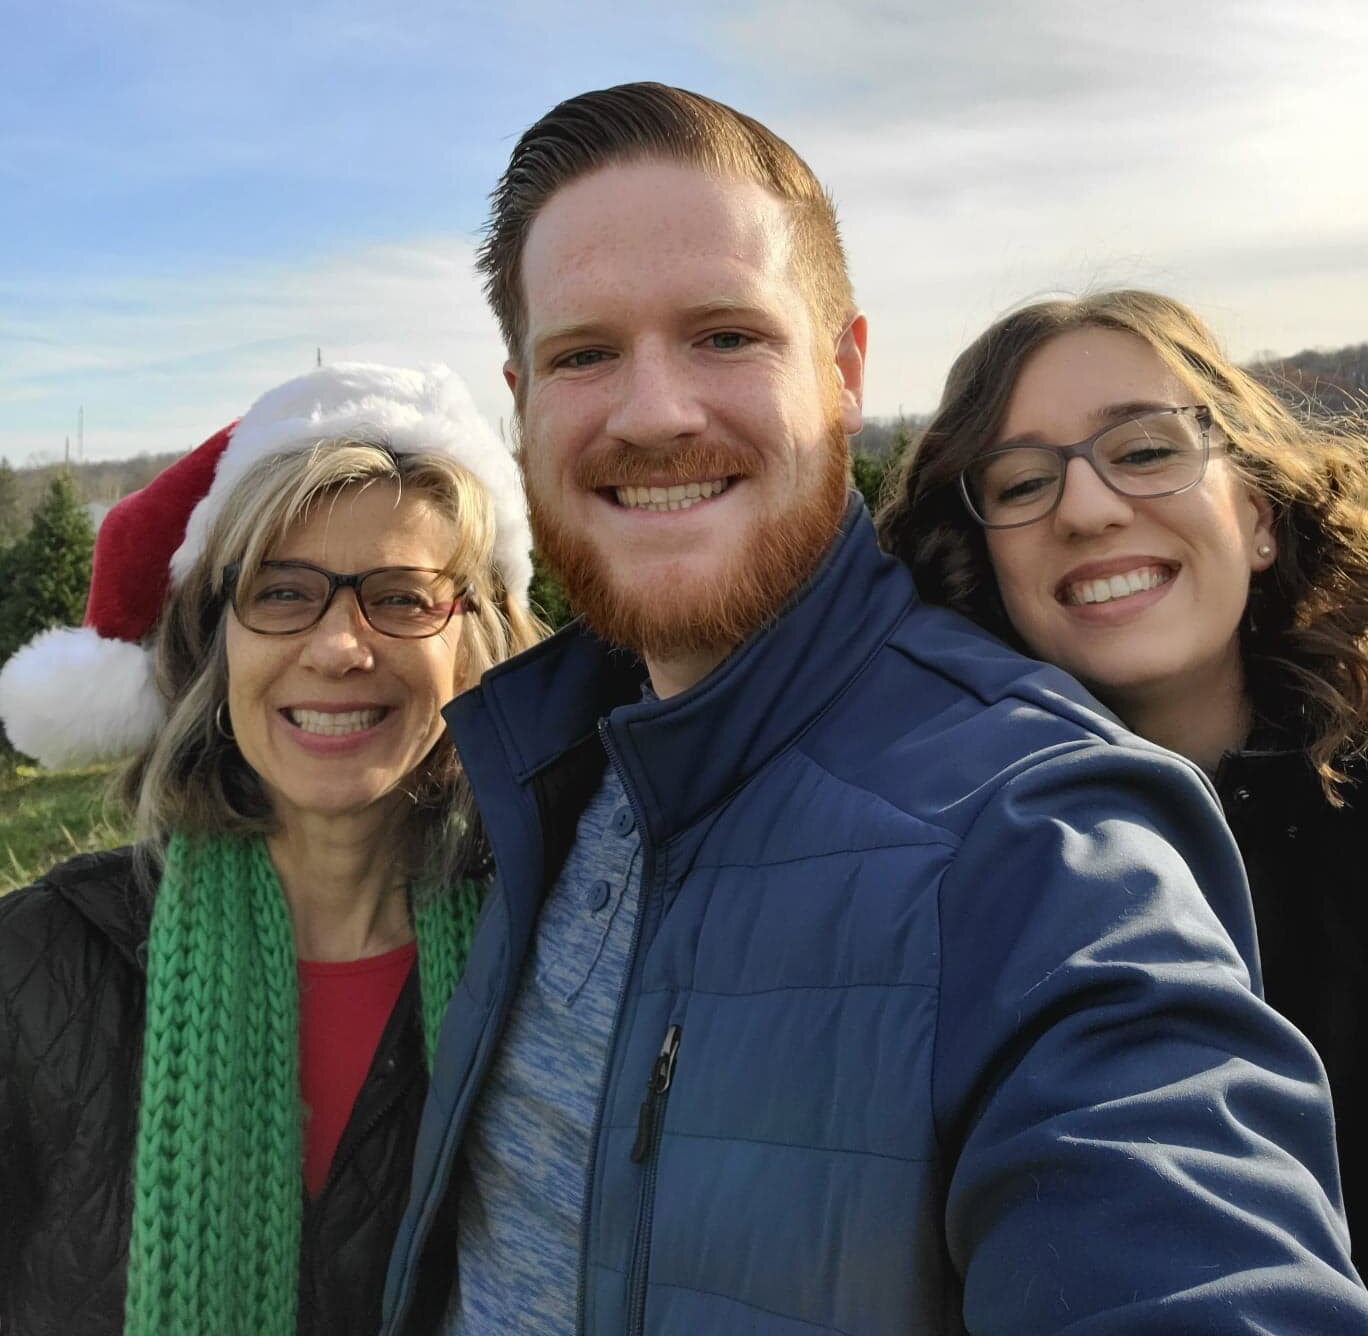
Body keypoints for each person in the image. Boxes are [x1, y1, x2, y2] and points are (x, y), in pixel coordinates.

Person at [380, 83, 1368, 1336]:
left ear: (846, 370)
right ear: (522, 395)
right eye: (585, 355)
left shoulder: (1033, 835)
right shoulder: (537, 765)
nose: (653, 412)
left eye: (726, 335)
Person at [0, 362, 540, 1336]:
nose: (339, 646)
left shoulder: (557, 960)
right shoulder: (36, 963)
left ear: (476, 638)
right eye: (283, 593)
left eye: (403, 596)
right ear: (216, 648)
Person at [878, 287, 1368, 1256]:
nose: (1090, 510)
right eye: (1020, 483)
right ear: (982, 557)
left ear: (1257, 515)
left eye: (1146, 450)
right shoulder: (935, 878)